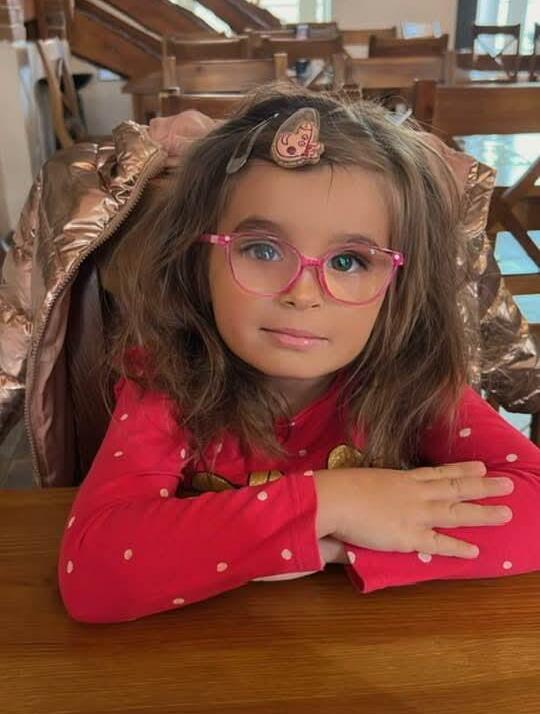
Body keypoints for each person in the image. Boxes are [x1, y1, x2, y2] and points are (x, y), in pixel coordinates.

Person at [54, 85, 536, 622]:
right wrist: (332, 503)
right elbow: (94, 572)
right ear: (197, 260)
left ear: (400, 285)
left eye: (349, 261)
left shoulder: (413, 378)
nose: (302, 293)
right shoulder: (167, 378)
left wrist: (336, 543)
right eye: (262, 250)